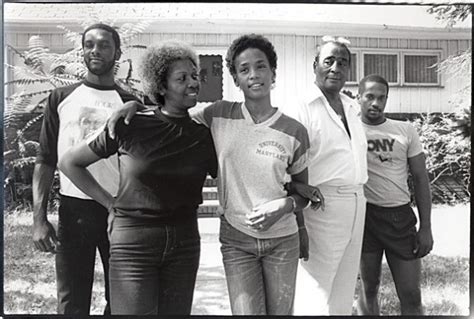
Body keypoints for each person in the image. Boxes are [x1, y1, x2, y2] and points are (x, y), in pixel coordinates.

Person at [107, 34, 316, 315]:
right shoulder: (217, 115)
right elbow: (172, 114)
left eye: (261, 66)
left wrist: (287, 207)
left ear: (273, 72)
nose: (254, 75)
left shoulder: (295, 131)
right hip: (237, 238)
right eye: (244, 69)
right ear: (235, 78)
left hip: (282, 239)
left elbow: (303, 190)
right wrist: (139, 105)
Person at [58, 40, 217, 315]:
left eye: (194, 76)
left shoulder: (204, 134)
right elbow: (69, 162)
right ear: (162, 87)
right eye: (182, 78)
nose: (193, 83)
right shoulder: (131, 124)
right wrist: (109, 203)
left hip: (184, 242)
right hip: (134, 243)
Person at [32, 23, 137, 315]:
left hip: (117, 210)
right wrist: (39, 219)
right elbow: (46, 159)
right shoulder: (61, 98)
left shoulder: (129, 103)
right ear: (82, 51)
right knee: (71, 302)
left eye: (104, 45)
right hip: (73, 211)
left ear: (118, 51)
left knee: (122, 302)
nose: (95, 50)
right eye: (89, 44)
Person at [280, 36, 368, 315]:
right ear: (315, 65)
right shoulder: (300, 106)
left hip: (356, 202)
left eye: (343, 62)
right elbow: (283, 163)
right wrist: (299, 218)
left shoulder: (352, 107)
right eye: (328, 61)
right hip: (321, 204)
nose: (335, 68)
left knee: (344, 290)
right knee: (315, 290)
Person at [355, 74, 433, 315]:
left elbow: (421, 179)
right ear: (359, 98)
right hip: (365, 218)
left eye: (381, 98)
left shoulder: (405, 130)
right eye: (369, 96)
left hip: (399, 218)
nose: (375, 103)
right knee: (369, 289)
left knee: (410, 293)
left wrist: (426, 228)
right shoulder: (349, 131)